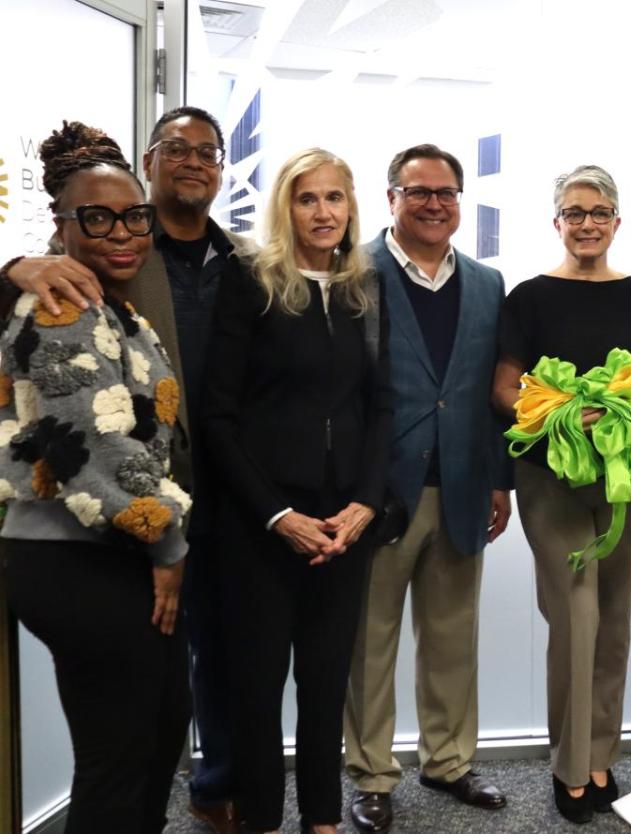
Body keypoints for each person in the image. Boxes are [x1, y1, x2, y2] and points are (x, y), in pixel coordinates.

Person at [2, 105, 254, 834]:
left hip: (128, 550)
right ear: (61, 227)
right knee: (118, 763)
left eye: (131, 220)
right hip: (85, 557)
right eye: (98, 220)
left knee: (151, 742)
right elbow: (95, 454)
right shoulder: (61, 308)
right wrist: (170, 546)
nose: (120, 234)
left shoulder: (116, 309)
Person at [203, 148, 391, 834]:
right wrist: (278, 514)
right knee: (254, 692)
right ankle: (259, 819)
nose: (323, 212)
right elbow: (217, 416)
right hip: (262, 524)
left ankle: (322, 820)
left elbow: (382, 407)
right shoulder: (249, 281)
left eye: (335, 198)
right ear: (287, 207)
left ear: (351, 208)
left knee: (324, 687)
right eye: (308, 199)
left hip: (343, 523)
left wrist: (366, 503)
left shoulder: (365, 289)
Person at [343, 143, 509, 833]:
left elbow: (492, 393)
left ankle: (447, 761)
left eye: (445, 193)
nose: (433, 204)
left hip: (463, 487)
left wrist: (501, 481)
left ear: (460, 203)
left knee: (451, 637)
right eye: (418, 193)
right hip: (378, 495)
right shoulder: (353, 272)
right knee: (369, 642)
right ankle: (372, 775)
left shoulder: (487, 282)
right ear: (391, 200)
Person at [492, 165, 631, 824]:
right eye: (574, 211)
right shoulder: (529, 297)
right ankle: (569, 768)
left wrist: (625, 413)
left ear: (616, 222)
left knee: (615, 619)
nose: (587, 222)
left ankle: (600, 754)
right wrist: (565, 413)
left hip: (630, 481)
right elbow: (504, 388)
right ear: (557, 222)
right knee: (575, 619)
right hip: (552, 479)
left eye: (599, 212)